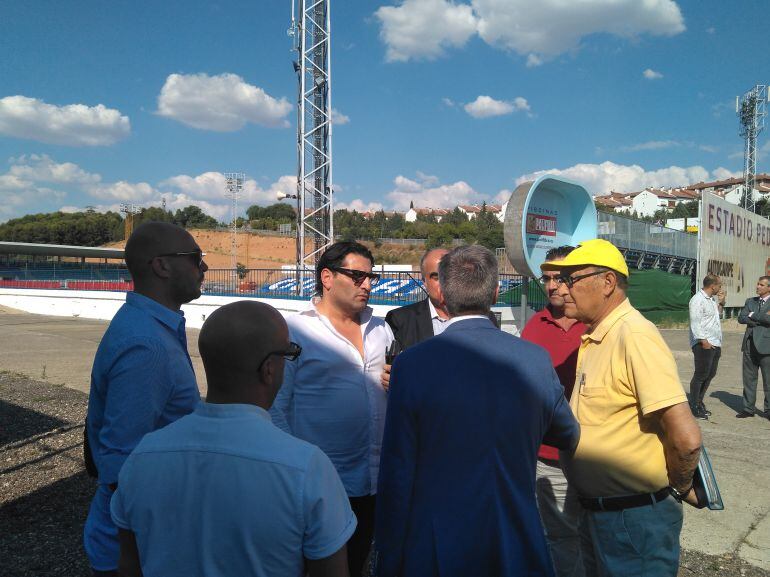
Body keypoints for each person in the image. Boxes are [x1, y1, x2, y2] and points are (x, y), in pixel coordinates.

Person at [375, 245, 580, 577]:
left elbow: (397, 468)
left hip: (438, 543)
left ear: (443, 289)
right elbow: (567, 433)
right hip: (513, 536)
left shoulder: (411, 365)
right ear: (496, 291)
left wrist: (389, 557)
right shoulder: (533, 359)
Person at [110, 301, 356, 577]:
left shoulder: (144, 456)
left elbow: (129, 565)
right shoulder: (306, 467)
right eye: (289, 354)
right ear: (269, 369)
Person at [542, 239, 702, 577]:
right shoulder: (597, 335)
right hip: (599, 514)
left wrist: (678, 488)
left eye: (572, 279)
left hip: (633, 521)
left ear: (607, 282)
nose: (562, 288)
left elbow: (685, 436)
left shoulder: (634, 335)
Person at [84, 222, 207, 576]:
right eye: (195, 258)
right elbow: (121, 465)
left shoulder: (149, 327)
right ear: (162, 266)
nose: (204, 267)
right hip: (138, 548)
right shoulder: (147, 346)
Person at [270, 241, 393, 577]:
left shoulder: (382, 329)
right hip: (320, 484)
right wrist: (293, 472)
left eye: (371, 277)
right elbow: (278, 407)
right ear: (327, 276)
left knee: (356, 565)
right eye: (357, 276)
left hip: (373, 482)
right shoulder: (296, 330)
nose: (367, 284)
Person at [521, 245, 586, 577]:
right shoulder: (534, 327)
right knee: (559, 538)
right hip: (548, 457)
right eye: (546, 278)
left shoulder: (598, 324)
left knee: (594, 536)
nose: (552, 286)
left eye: (560, 278)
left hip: (596, 456)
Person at [385, 247, 499, 350]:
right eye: (437, 277)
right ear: (424, 282)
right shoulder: (400, 320)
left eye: (448, 276)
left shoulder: (487, 318)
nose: (444, 283)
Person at [688, 273, 723, 420]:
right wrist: (703, 341)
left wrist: (721, 302)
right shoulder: (697, 300)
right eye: (719, 285)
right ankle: (694, 406)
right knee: (701, 375)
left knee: (710, 374)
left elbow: (718, 317)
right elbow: (695, 322)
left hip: (715, 342)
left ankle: (699, 401)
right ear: (712, 285)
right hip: (704, 344)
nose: (720, 288)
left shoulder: (711, 300)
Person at [736, 276, 770, 419]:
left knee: (768, 381)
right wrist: (760, 317)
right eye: (757, 284)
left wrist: (752, 315)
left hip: (766, 346)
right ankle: (748, 409)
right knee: (749, 379)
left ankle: (768, 411)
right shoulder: (750, 301)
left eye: (761, 285)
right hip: (749, 345)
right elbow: (741, 317)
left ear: (769, 288)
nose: (757, 286)